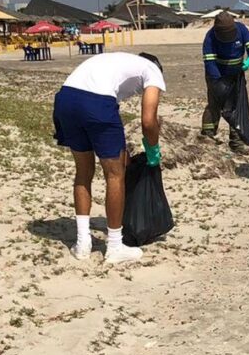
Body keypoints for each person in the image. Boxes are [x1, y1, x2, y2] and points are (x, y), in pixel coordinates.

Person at [52, 51, 166, 264]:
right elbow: (149, 121)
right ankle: (114, 247)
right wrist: (153, 150)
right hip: (95, 102)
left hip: (66, 100)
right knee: (115, 175)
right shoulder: (153, 70)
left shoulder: (118, 61)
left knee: (83, 171)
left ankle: (82, 243)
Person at [201, 12, 249, 154]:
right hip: (217, 74)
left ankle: (236, 143)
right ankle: (208, 135)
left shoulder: (241, 30)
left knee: (235, 107)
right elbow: (210, 63)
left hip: (237, 74)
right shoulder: (210, 37)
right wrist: (218, 84)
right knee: (215, 104)